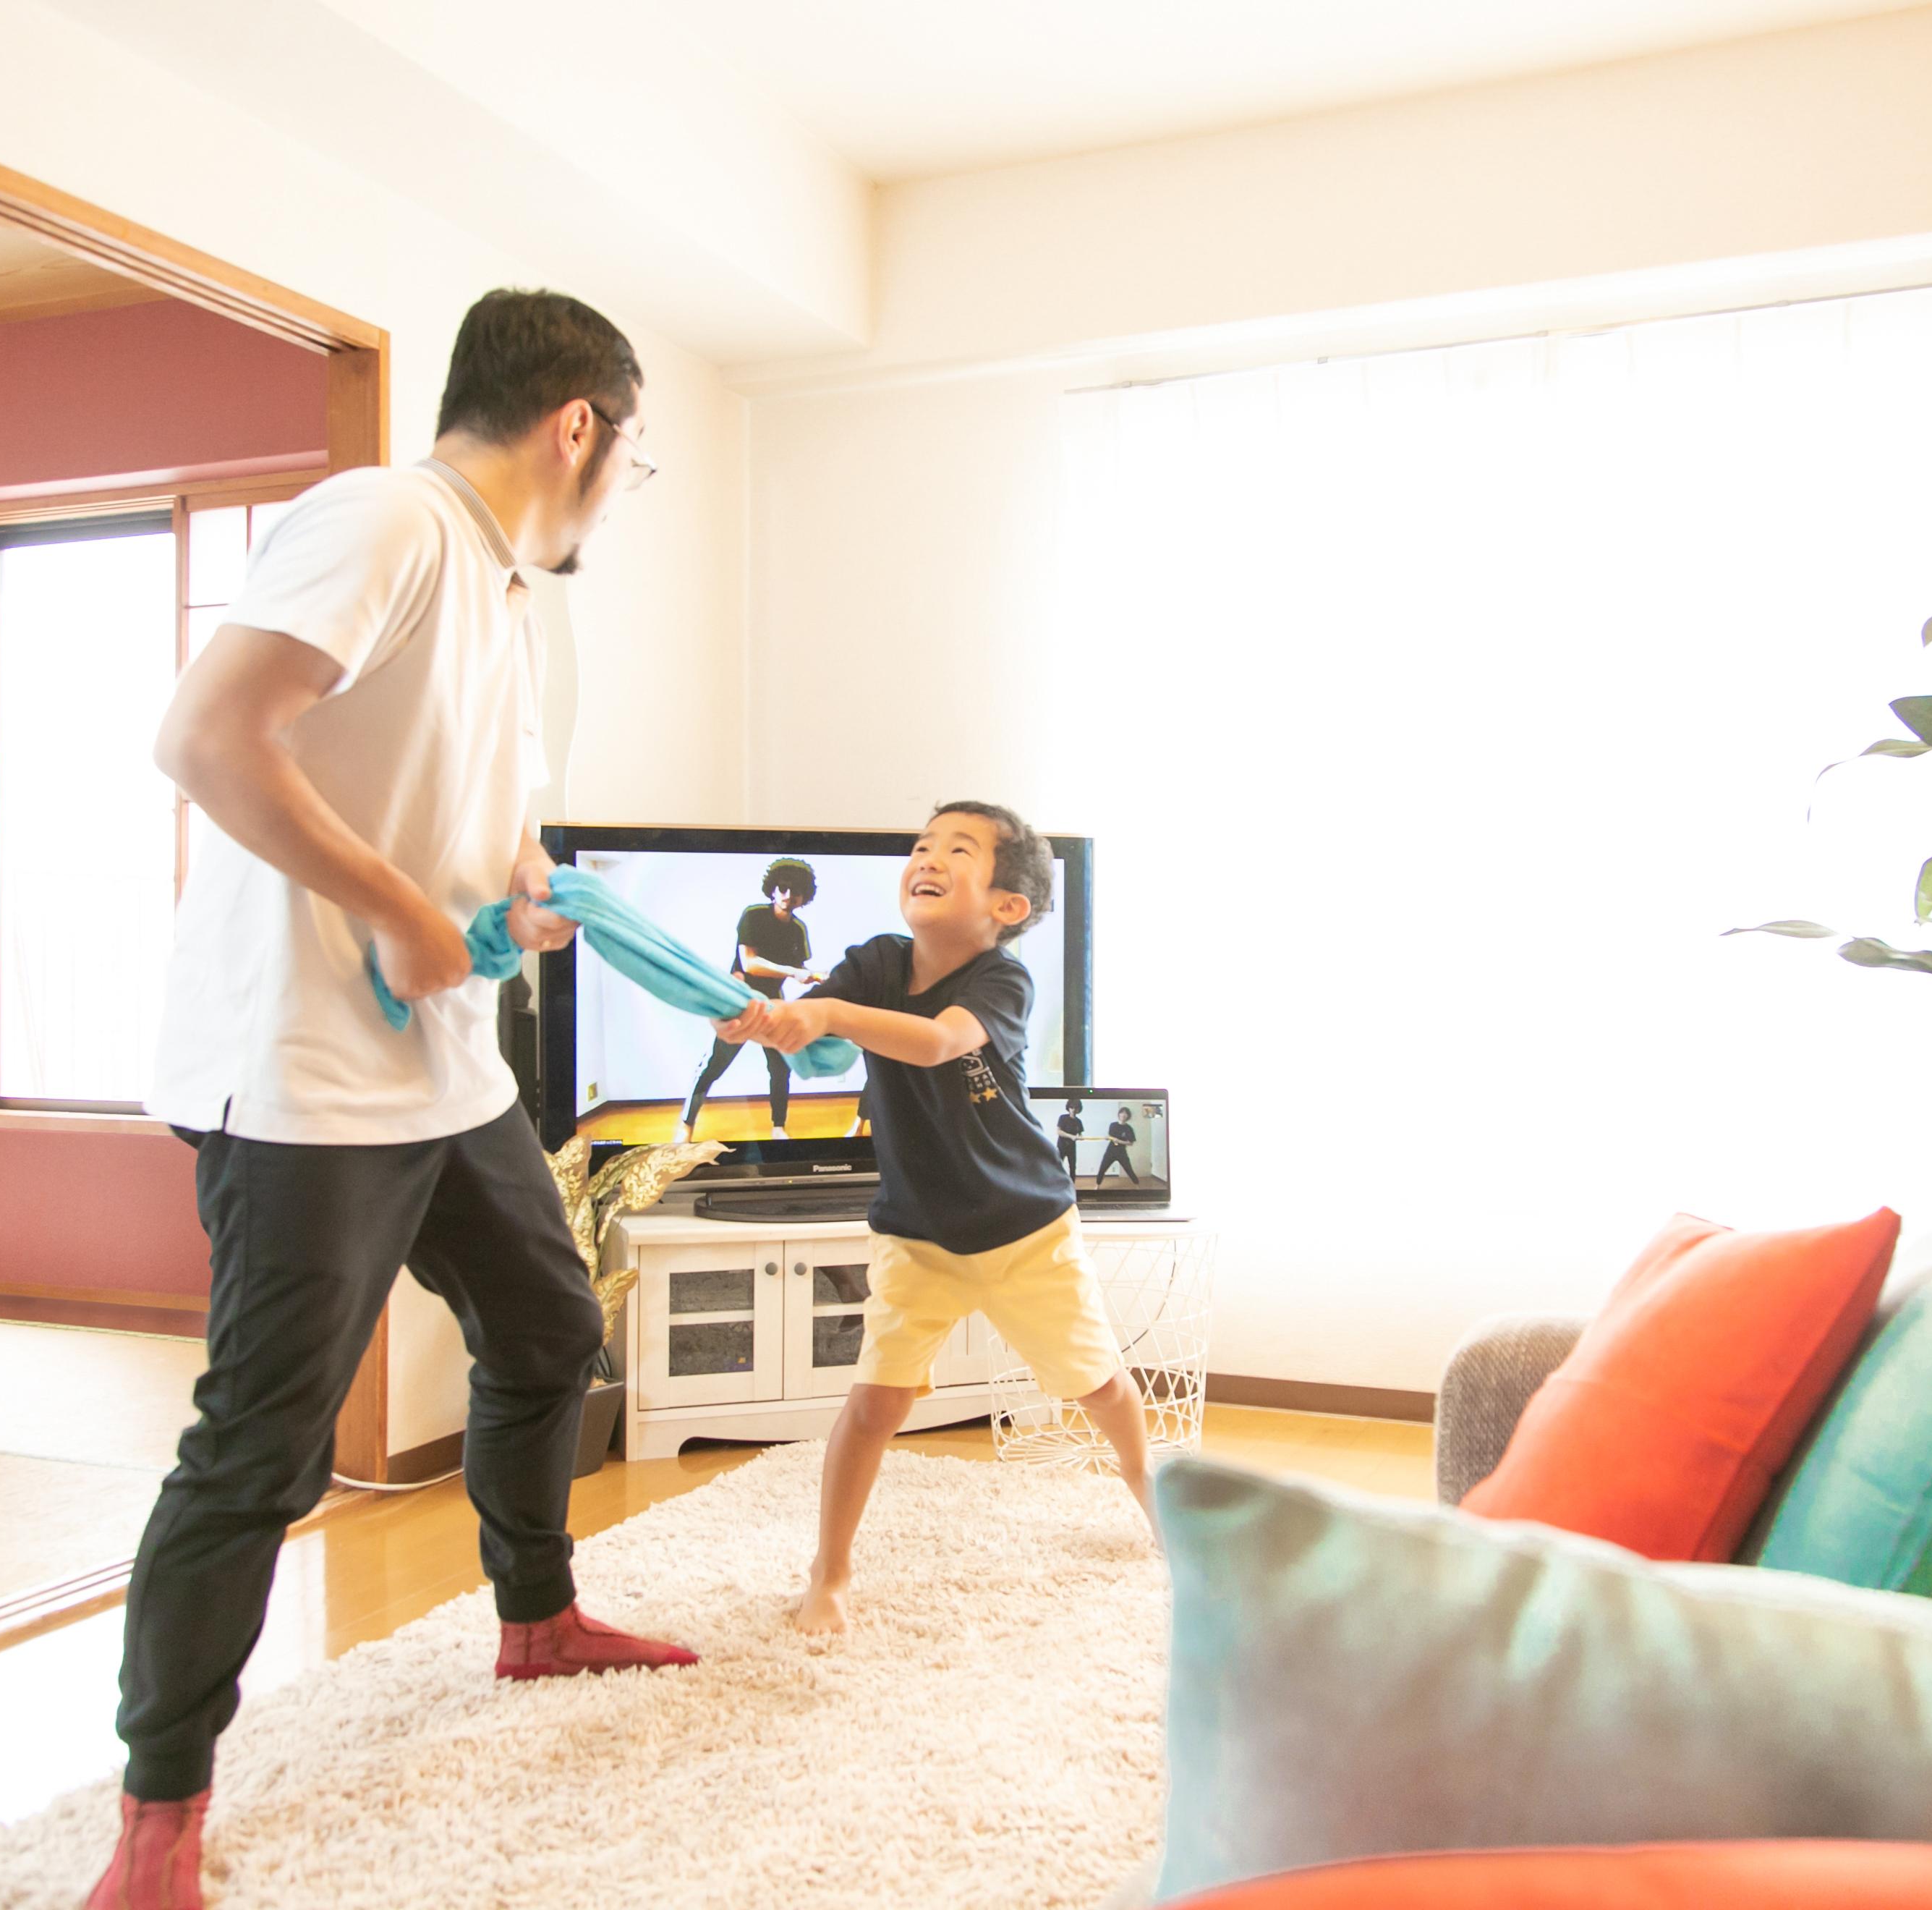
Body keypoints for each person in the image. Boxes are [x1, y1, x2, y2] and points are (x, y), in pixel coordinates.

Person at [91, 289, 697, 1910]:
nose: (619, 495)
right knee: (264, 1449)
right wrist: (396, 910)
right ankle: (157, 1823)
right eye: (630, 461)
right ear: (581, 426)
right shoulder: (387, 521)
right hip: (297, 1075)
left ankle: (533, 1615)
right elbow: (209, 740)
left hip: (441, 1070)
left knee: (551, 1331)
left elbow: (482, 817)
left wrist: (518, 888)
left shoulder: (505, 595)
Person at [718, 802, 1152, 1634]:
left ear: (1007, 907)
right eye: (922, 846)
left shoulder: (1001, 981)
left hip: (1026, 1228)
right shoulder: (874, 963)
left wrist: (831, 1015)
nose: (928, 857)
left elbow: (938, 1043)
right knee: (874, 1405)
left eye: (959, 850)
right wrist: (752, 1019)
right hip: (917, 1234)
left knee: (1098, 1386)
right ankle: (830, 1572)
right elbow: (807, 1032)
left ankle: (1150, 1489)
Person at [677, 858, 822, 1140]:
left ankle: (778, 1127)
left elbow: (799, 969)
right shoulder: (754, 915)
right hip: (739, 1001)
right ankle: (686, 1125)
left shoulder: (798, 929)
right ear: (772, 890)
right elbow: (750, 963)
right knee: (713, 1066)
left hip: (773, 1005)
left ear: (804, 896)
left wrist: (815, 975)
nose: (788, 896)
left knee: (781, 1068)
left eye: (796, 891)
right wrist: (794, 972)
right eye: (783, 888)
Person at [1097, 1108, 1141, 1187]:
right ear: (1119, 1114)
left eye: (1125, 1113)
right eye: (1122, 1113)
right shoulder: (1113, 1125)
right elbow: (1111, 1136)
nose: (1123, 1115)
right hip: (1110, 1151)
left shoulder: (1129, 1128)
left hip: (1121, 1152)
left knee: (1129, 1170)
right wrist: (1108, 1138)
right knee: (1102, 1169)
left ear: (1128, 1116)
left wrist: (1119, 1141)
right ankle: (1097, 1185)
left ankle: (1137, 1185)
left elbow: (1130, 1143)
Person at [1055, 1098, 1087, 1181]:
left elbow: (1080, 1134)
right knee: (1058, 1165)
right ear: (1068, 1108)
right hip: (1061, 1146)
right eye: (1071, 1108)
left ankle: (1072, 1186)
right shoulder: (1063, 1118)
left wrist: (1081, 1137)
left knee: (1073, 1167)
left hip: (1072, 1147)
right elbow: (1059, 1132)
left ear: (1079, 1109)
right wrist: (1071, 1136)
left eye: (1076, 1108)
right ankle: (1056, 1183)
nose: (1073, 1110)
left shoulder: (1079, 1122)